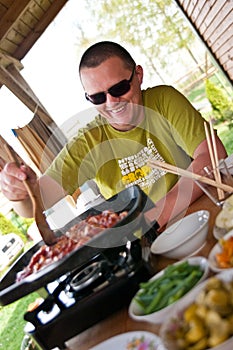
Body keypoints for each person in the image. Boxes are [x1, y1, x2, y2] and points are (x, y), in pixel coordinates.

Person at [0, 41, 227, 229]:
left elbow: (213, 155)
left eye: (119, 89)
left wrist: (150, 219)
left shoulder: (163, 100)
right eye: (98, 97)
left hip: (201, 211)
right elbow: (36, 203)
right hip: (149, 242)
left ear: (138, 75)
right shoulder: (88, 141)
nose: (111, 103)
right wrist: (20, 193)